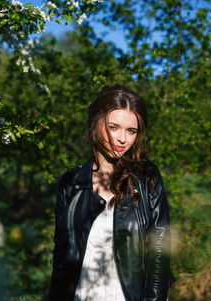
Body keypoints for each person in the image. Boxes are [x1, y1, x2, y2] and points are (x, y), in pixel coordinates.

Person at [50, 84, 175, 301]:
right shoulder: (71, 182)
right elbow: (61, 255)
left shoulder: (146, 177)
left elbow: (158, 250)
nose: (123, 139)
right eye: (114, 127)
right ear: (96, 122)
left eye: (131, 131)